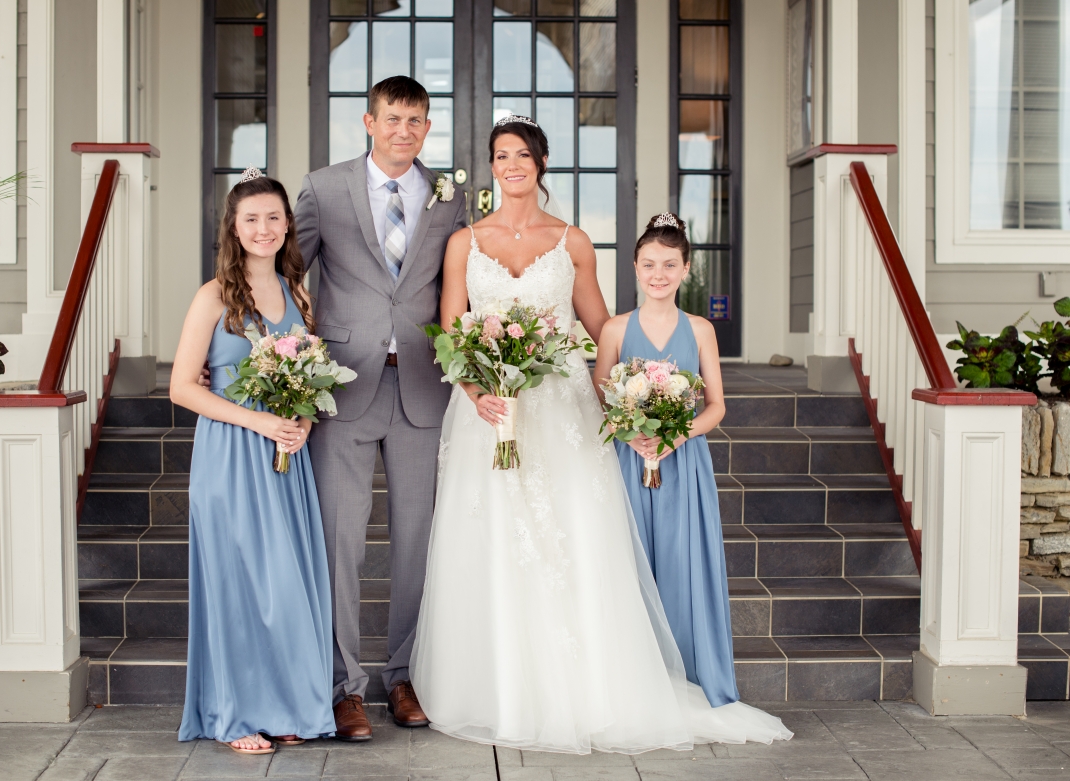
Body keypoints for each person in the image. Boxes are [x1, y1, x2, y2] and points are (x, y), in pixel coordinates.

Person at [410, 116, 792, 754]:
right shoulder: (463, 243)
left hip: (561, 409)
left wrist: (642, 402)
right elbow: (451, 336)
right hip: (491, 415)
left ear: (542, 162)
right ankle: (498, 688)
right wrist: (480, 393)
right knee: (496, 540)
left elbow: (602, 328)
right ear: (491, 165)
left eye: (523, 155)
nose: (511, 166)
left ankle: (587, 688)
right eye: (501, 156)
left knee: (572, 541)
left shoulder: (574, 242)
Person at [293, 76, 468, 741]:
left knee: (418, 543)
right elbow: (289, 274)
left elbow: (464, 282)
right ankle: (345, 686)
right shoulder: (325, 186)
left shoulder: (449, 196)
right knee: (341, 539)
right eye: (392, 118)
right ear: (368, 121)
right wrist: (289, 360)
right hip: (342, 385)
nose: (404, 130)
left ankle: (403, 673)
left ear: (427, 127)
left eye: (416, 120)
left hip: (424, 386)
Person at [173, 170, 335, 753]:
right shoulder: (213, 296)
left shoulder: (299, 294)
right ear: (234, 228)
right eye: (251, 219)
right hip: (230, 456)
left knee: (284, 585)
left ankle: (288, 705)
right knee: (238, 584)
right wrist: (260, 421)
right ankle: (234, 714)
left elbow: (313, 382)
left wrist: (302, 423)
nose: (263, 229)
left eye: (273, 217)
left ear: (287, 224)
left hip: (286, 460)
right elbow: (182, 388)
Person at [593, 213, 739, 708]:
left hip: (683, 466)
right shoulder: (614, 329)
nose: (659, 274)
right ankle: (634, 685)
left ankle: (691, 680)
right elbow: (600, 402)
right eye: (650, 264)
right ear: (634, 266)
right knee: (630, 568)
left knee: (681, 568)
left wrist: (675, 437)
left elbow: (716, 406)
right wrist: (629, 432)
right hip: (627, 463)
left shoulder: (700, 330)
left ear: (686, 269)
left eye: (669, 265)